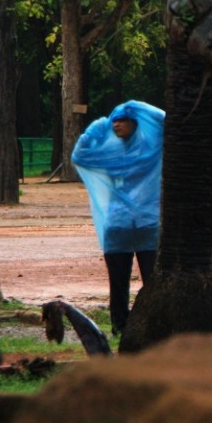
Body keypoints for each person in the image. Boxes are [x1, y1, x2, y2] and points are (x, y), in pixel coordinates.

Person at [71, 101, 164, 336]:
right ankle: (120, 327)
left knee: (153, 282)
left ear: (135, 123)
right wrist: (94, 129)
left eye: (122, 120)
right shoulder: (109, 152)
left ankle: (153, 324)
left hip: (147, 224)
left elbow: (166, 123)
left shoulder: (151, 149)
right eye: (114, 120)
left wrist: (137, 107)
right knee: (118, 282)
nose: (116, 124)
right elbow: (79, 156)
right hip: (118, 224)